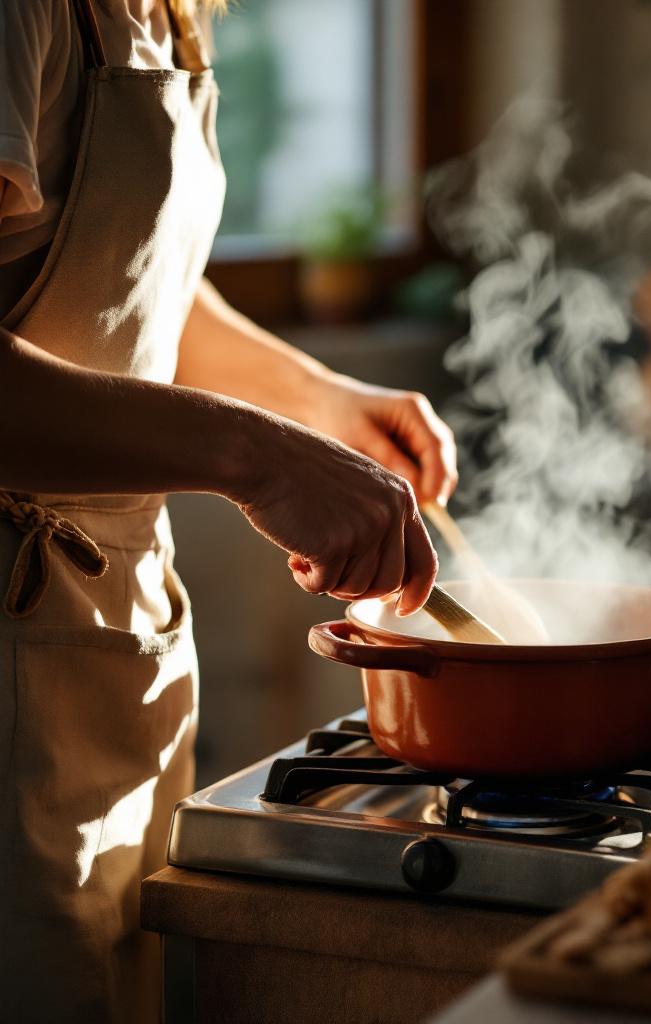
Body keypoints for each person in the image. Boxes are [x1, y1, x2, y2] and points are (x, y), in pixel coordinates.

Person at [0, 1, 456, 1020]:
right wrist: (255, 454)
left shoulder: (168, 13)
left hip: (110, 632)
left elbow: (136, 278)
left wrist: (317, 401)